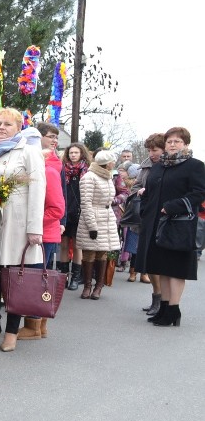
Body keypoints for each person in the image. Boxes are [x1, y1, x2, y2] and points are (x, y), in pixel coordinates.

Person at [0, 108, 46, 353]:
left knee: (15, 281)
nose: (2, 127)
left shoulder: (28, 151)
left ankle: (11, 331)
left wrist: (34, 229)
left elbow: (38, 191)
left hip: (16, 225)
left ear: (19, 127)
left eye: (8, 124)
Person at [137, 127, 205, 327]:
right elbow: (149, 191)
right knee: (161, 267)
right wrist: (146, 210)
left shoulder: (194, 166)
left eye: (177, 141)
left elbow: (199, 193)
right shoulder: (160, 166)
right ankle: (164, 308)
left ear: (185, 144)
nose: (172, 144)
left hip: (180, 225)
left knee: (175, 269)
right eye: (169, 141)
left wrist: (172, 207)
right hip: (157, 223)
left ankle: (174, 310)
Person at [18, 125, 65, 341]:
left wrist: (32, 221)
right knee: (34, 280)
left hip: (44, 235)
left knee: (36, 281)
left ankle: (34, 326)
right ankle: (38, 326)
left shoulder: (49, 170)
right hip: (37, 233)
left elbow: (57, 208)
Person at [75, 150, 121, 300]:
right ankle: (87, 285)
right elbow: (86, 203)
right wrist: (92, 226)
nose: (114, 163)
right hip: (93, 218)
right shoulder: (89, 177)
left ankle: (99, 286)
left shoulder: (108, 177)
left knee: (103, 252)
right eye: (112, 161)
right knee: (89, 253)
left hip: (106, 219)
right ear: (108, 163)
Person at [132, 133, 165, 314]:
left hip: (163, 218)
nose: (151, 153)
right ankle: (156, 298)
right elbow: (135, 186)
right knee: (148, 261)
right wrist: (140, 191)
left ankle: (162, 301)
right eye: (150, 150)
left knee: (160, 261)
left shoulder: (169, 167)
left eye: (155, 150)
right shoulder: (145, 167)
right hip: (147, 216)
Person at [61, 143, 92, 290]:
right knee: (64, 244)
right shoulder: (63, 169)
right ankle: (63, 276)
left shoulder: (86, 170)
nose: (73, 155)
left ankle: (75, 277)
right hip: (65, 209)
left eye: (76, 153)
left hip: (79, 211)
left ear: (81, 154)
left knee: (77, 244)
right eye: (71, 153)